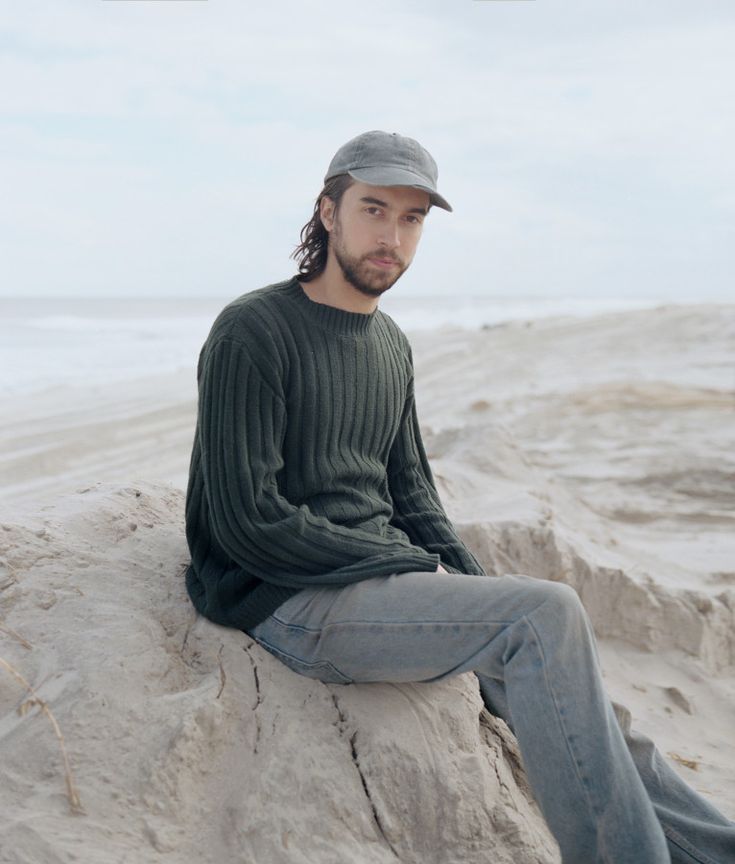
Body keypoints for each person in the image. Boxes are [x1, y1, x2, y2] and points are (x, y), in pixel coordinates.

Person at [184, 130, 734, 863]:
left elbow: (413, 497)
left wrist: (461, 582)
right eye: (374, 210)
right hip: (288, 601)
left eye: (411, 220)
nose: (392, 237)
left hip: (377, 587)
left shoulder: (390, 345)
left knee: (587, 699)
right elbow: (246, 519)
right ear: (326, 211)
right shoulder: (252, 331)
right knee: (544, 615)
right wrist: (399, 563)